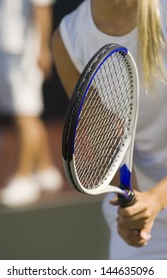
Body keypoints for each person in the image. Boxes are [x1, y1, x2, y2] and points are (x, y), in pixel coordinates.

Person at [52, 0, 167, 259]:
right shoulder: (68, 40)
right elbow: (110, 150)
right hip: (152, 228)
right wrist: (135, 211)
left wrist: (157, 198)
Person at [0, 0, 63, 208]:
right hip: (7, 51)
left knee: (25, 117)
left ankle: (23, 177)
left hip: (23, 53)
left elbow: (42, 8)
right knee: (24, 115)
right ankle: (44, 170)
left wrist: (42, 50)